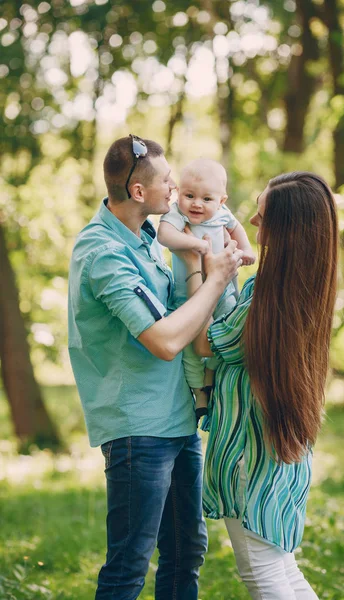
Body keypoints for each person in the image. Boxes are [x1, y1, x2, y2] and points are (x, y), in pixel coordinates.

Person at [68, 134, 243, 600]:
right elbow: (165, 340)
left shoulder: (148, 237)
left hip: (176, 420)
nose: (176, 188)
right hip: (137, 429)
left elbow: (181, 313)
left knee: (186, 553)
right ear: (140, 192)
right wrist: (217, 274)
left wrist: (196, 263)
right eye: (168, 180)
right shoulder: (103, 253)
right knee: (130, 564)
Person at [181, 172, 338, 600]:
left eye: (263, 215)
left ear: (287, 229)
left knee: (263, 575)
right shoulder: (304, 288)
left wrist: (203, 272)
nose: (250, 221)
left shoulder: (268, 300)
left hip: (251, 456)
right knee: (281, 569)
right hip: (282, 451)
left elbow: (203, 343)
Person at [157, 158, 256, 422]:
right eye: (189, 195)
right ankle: (198, 389)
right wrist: (196, 245)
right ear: (179, 194)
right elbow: (164, 236)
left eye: (206, 199)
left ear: (222, 201)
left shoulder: (223, 215)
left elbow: (238, 230)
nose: (197, 204)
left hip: (224, 292)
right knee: (189, 348)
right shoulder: (177, 214)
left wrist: (246, 251)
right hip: (186, 297)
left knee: (218, 339)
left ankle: (210, 378)